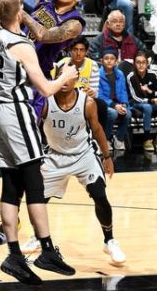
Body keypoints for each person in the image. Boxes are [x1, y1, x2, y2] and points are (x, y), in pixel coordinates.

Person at [0, 0, 78, 286]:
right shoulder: (23, 45)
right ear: (17, 15)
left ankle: (12, 255)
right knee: (33, 182)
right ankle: (46, 249)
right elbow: (45, 89)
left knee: (10, 182)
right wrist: (66, 78)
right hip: (17, 110)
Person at [30, 62, 125, 265]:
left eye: (68, 75)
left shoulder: (87, 103)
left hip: (84, 155)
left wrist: (107, 157)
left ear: (76, 78)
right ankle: (38, 237)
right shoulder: (45, 101)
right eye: (60, 74)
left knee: (99, 194)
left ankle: (109, 240)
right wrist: (35, 158)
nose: (64, 80)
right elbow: (33, 130)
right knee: (38, 200)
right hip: (54, 156)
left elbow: (98, 130)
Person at [127, 52, 157, 152]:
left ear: (147, 63)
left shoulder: (152, 74)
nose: (141, 65)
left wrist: (150, 91)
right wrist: (152, 99)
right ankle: (147, 139)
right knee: (147, 107)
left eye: (143, 62)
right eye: (138, 62)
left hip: (150, 103)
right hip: (136, 105)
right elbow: (135, 97)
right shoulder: (131, 77)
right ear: (134, 63)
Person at [98, 48, 130, 150]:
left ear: (116, 61)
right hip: (105, 104)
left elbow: (123, 91)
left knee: (128, 113)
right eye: (106, 58)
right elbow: (99, 95)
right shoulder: (98, 74)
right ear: (101, 60)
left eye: (112, 58)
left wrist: (124, 103)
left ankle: (119, 139)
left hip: (118, 103)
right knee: (112, 113)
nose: (109, 61)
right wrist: (114, 105)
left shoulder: (120, 74)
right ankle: (105, 139)